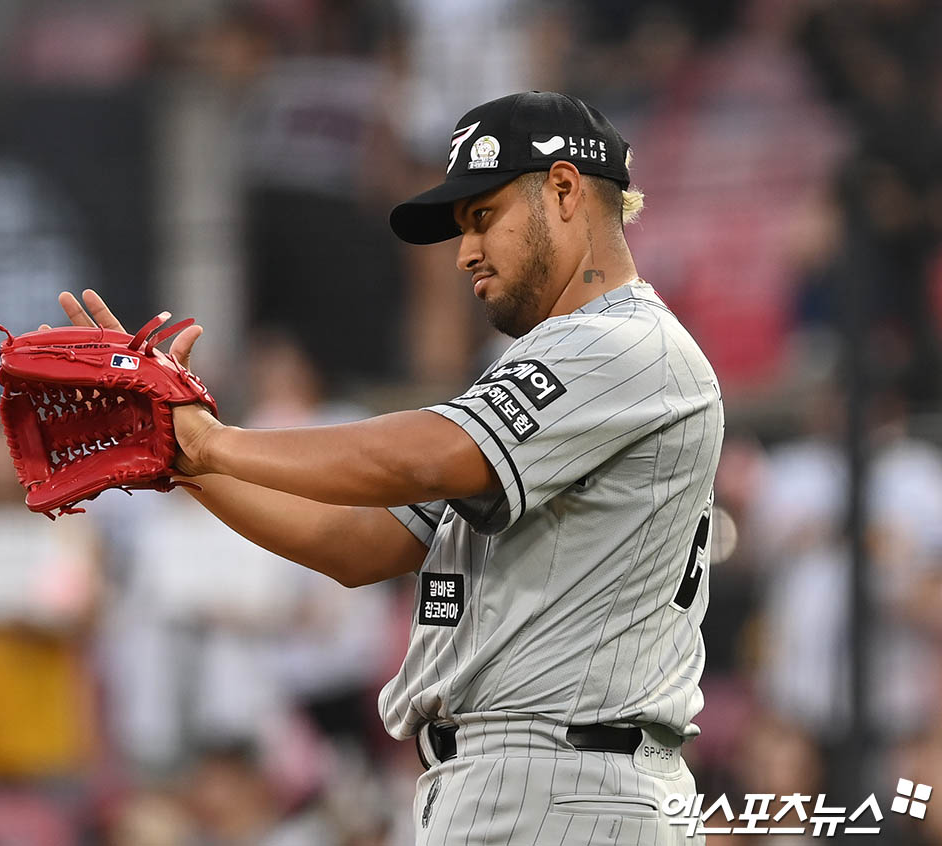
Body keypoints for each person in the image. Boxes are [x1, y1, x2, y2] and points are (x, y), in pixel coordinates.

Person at [53, 91, 724, 845]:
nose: (465, 250)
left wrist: (213, 441)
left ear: (565, 190)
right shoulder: (552, 369)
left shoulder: (627, 345)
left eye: (484, 216)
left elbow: (425, 453)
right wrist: (180, 460)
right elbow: (359, 544)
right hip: (515, 781)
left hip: (567, 781)